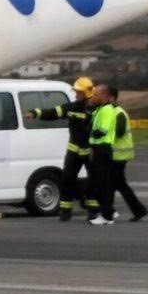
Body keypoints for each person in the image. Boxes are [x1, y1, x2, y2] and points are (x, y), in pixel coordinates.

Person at [24, 77, 99, 221]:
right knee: (67, 179)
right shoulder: (71, 107)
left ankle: (93, 209)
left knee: (93, 181)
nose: (76, 94)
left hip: (91, 152)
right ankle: (65, 210)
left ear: (86, 92)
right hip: (74, 151)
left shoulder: (97, 111)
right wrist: (35, 113)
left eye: (78, 91)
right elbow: (53, 113)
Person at [109, 87, 148, 222]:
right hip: (115, 155)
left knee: (111, 184)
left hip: (119, 156)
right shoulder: (109, 112)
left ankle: (108, 212)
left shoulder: (118, 113)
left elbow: (118, 132)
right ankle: (139, 210)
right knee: (120, 184)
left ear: (112, 98)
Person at [87, 84, 117, 226]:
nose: (94, 96)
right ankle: (108, 213)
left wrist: (88, 133)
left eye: (97, 95)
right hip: (98, 149)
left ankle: (107, 216)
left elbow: (102, 131)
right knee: (99, 183)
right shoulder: (100, 109)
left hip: (102, 149)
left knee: (103, 184)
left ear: (105, 96)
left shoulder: (106, 110)